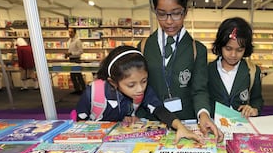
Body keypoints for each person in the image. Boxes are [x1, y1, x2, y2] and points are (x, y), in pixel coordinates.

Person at [137, 0, 223, 143]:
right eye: (162, 14)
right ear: (155, 11)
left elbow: (200, 89)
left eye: (176, 13)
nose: (169, 21)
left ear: (185, 11)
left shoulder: (197, 50)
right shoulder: (143, 46)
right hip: (152, 122)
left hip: (187, 122)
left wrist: (203, 114)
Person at [75, 45, 203, 143]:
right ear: (113, 82)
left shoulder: (143, 91)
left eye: (144, 81)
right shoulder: (93, 93)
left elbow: (159, 109)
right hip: (93, 140)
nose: (140, 89)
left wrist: (180, 126)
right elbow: (79, 122)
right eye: (131, 85)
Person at [208, 17, 264, 117]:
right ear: (220, 46)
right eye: (228, 49)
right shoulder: (207, 70)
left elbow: (257, 99)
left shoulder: (253, 71)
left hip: (242, 125)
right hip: (214, 126)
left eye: (239, 50)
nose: (233, 55)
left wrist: (254, 109)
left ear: (246, 49)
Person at [65, 27, 86, 94]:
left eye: (71, 32)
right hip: (71, 59)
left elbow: (81, 51)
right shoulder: (69, 41)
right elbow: (70, 50)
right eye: (69, 32)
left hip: (76, 59)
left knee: (78, 74)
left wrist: (71, 53)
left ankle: (83, 89)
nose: (70, 33)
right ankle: (77, 89)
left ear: (75, 32)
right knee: (72, 75)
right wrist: (68, 54)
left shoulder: (77, 41)